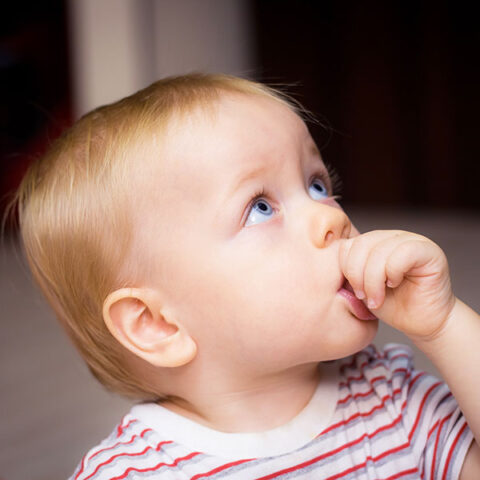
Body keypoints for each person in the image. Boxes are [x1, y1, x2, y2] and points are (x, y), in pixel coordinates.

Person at [12, 73, 479, 479]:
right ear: (157, 324)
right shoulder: (133, 473)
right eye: (260, 208)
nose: (330, 217)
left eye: (317, 184)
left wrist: (443, 325)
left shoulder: (390, 396)